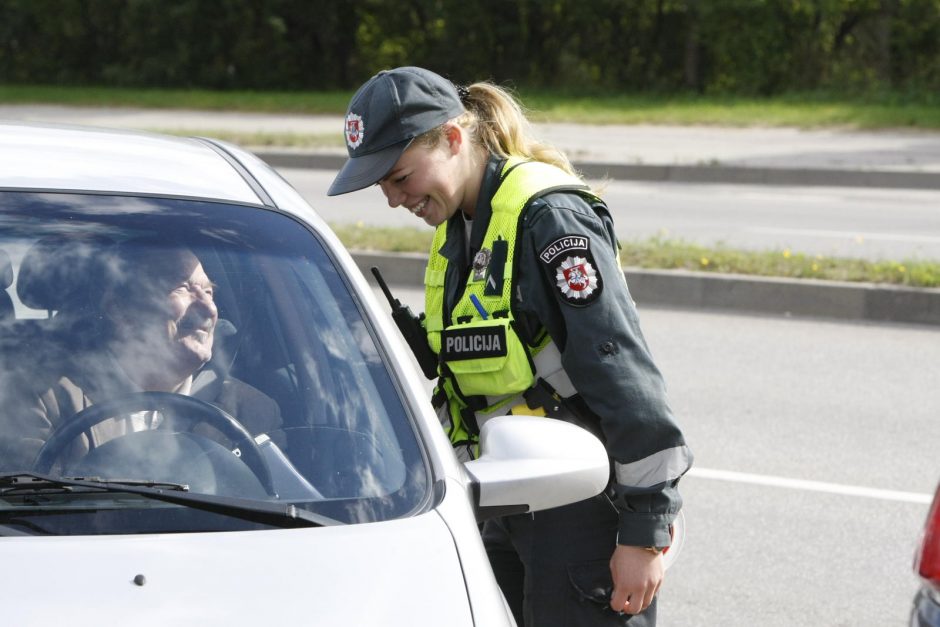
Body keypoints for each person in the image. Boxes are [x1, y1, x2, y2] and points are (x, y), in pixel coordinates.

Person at [328, 66, 692, 626]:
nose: (394, 200)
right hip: (509, 498)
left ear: (452, 138)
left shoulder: (548, 219)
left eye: (399, 177)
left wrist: (646, 532)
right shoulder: (465, 222)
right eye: (382, 186)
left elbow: (623, 375)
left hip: (583, 507)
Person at [0, 240, 281, 471]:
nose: (208, 309)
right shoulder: (42, 397)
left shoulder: (252, 412)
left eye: (209, 291)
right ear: (120, 309)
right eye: (182, 287)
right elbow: (32, 512)